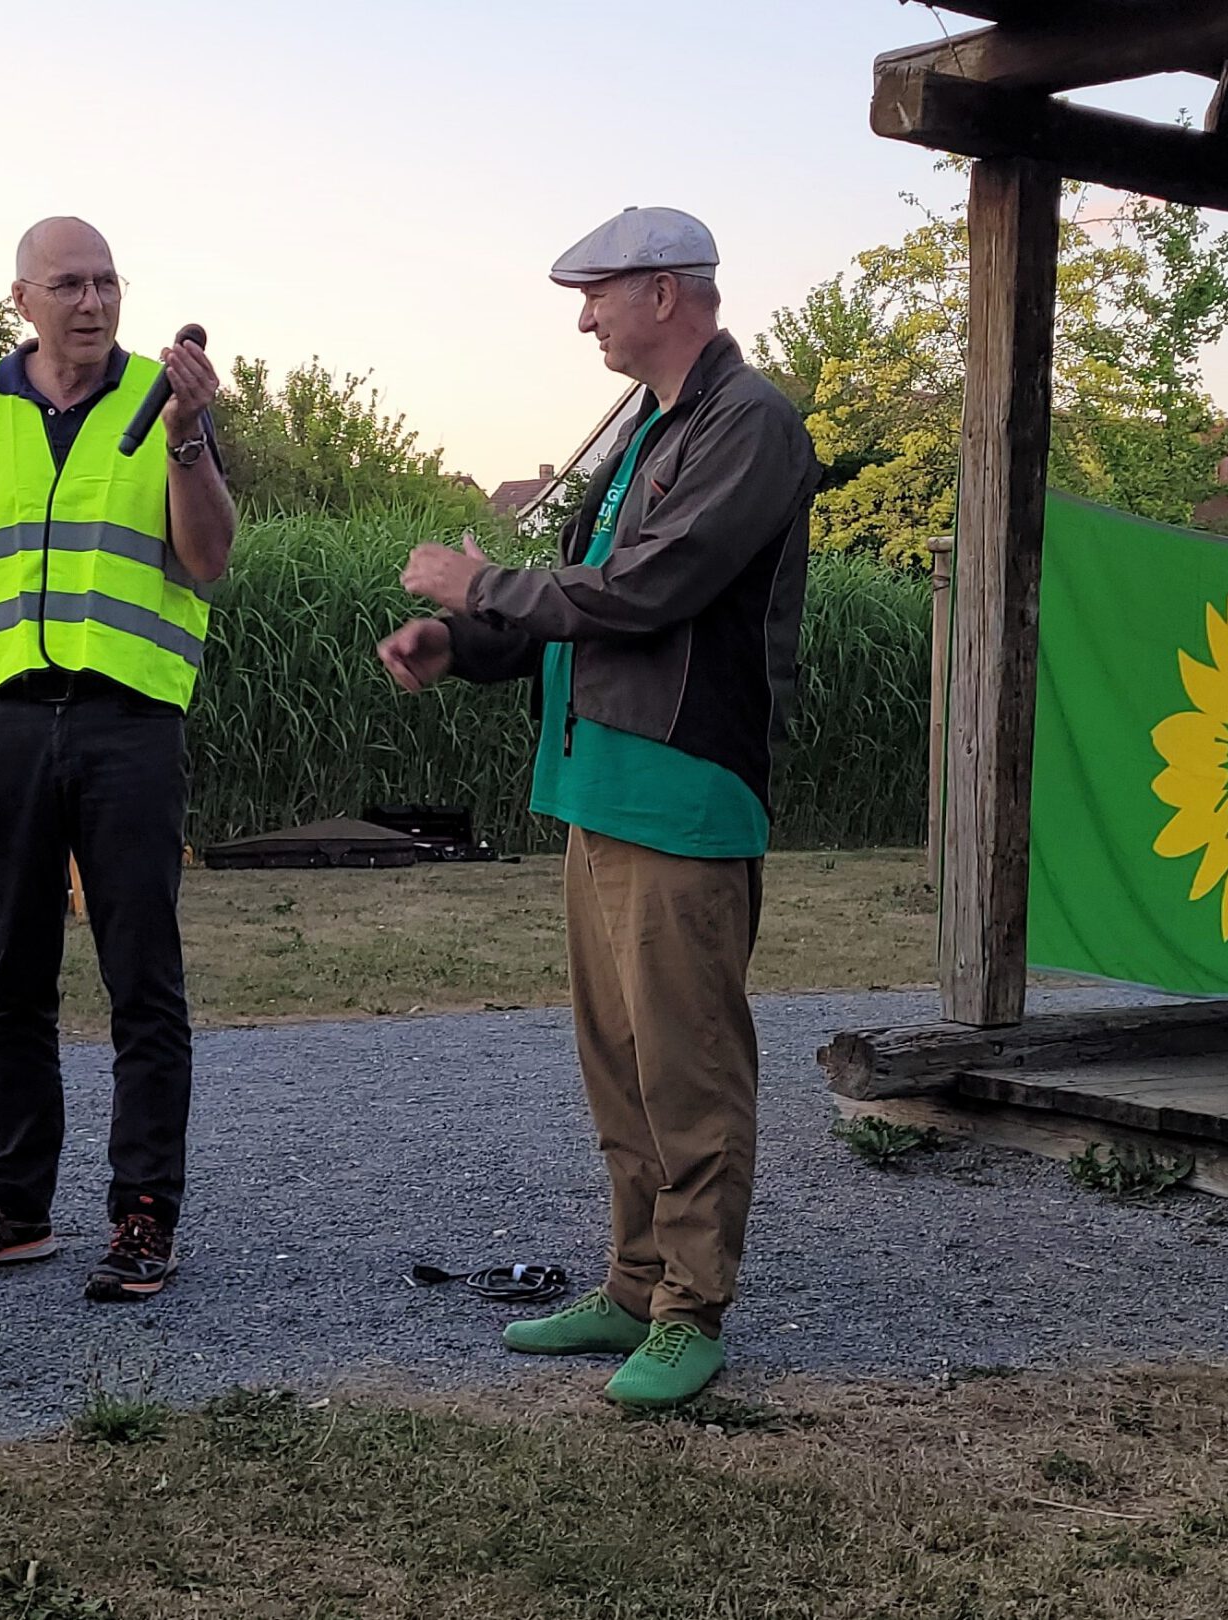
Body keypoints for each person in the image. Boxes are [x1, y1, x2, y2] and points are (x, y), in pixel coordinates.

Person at [379, 207, 820, 1408]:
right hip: (598, 788)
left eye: (599, 293)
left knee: (688, 1067)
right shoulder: (649, 428)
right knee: (618, 1065)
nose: (584, 317)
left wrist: (480, 578)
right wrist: (460, 638)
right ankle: (632, 1285)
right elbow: (575, 610)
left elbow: (648, 588)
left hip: (683, 791)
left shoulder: (751, 422)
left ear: (668, 293)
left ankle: (691, 1310)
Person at [0, 216, 235, 1299]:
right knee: (11, 982)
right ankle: (17, 1207)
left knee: (142, 983)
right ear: (21, 300)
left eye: (106, 283)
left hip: (127, 723)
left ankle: (144, 1218)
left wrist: (185, 435)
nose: (91, 303)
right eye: (68, 285)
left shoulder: (162, 401)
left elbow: (208, 560)